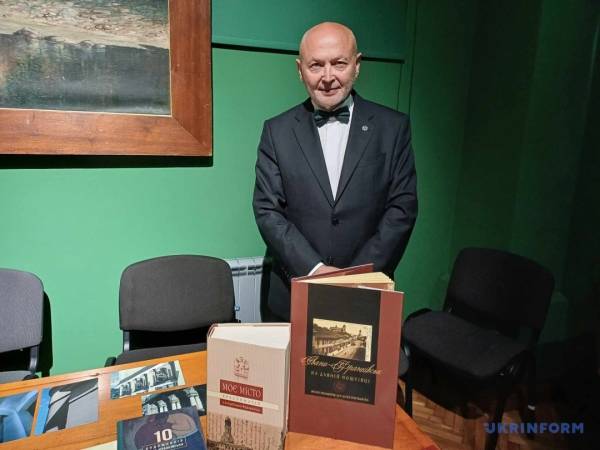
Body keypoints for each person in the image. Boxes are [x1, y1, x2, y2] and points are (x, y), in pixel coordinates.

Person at [253, 22, 417, 321]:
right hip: (293, 293)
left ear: (357, 65)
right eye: (316, 65)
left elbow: (402, 208)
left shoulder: (393, 128)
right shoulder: (276, 131)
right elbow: (267, 210)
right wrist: (315, 270)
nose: (328, 77)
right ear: (300, 70)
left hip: (366, 293)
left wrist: (355, 278)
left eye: (339, 63)